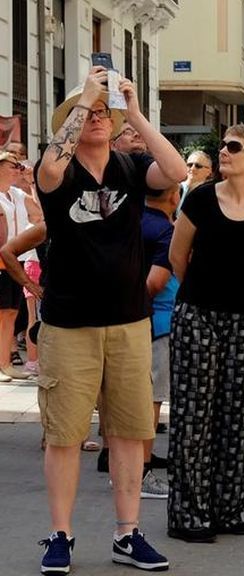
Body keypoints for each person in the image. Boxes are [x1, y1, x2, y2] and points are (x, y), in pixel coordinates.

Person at [34, 67, 186, 573]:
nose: (97, 118)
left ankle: (128, 533)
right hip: (69, 322)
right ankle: (60, 534)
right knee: (65, 434)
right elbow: (50, 172)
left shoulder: (129, 165)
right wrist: (86, 101)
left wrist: (136, 115)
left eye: (103, 113)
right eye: (88, 113)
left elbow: (177, 171)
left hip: (127, 321)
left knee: (128, 431)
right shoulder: (59, 168)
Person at [166, 125, 244, 543]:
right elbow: (178, 258)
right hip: (197, 312)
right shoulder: (199, 198)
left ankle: (227, 510)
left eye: (233, 147)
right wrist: (205, 290)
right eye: (222, 146)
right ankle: (188, 515)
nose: (223, 153)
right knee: (193, 415)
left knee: (236, 416)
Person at [138, 182, 182, 500]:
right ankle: (142, 470)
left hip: (136, 322)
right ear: (173, 196)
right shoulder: (167, 230)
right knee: (151, 400)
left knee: (136, 398)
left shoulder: (129, 221)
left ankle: (132, 465)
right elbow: (155, 283)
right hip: (158, 321)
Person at [0, 151, 40, 380]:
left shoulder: (15, 194)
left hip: (15, 260)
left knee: (11, 313)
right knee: (2, 312)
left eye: (18, 166)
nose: (17, 169)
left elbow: (40, 213)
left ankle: (5, 362)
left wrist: (32, 181)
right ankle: (3, 361)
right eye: (12, 166)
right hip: (2, 260)